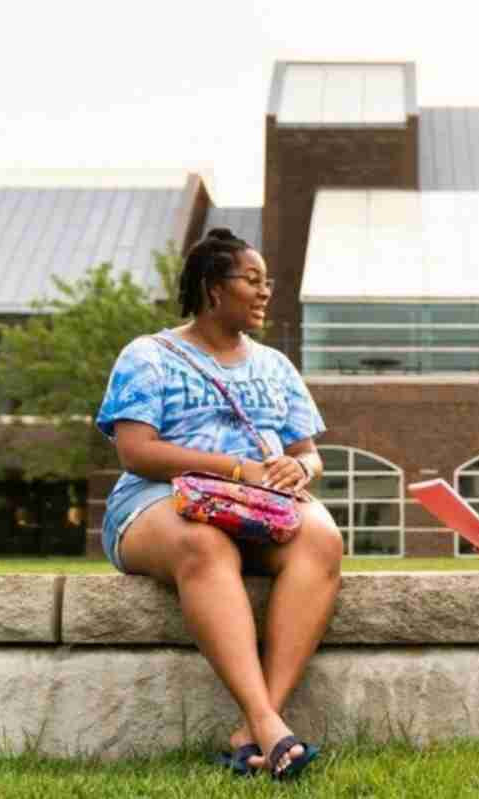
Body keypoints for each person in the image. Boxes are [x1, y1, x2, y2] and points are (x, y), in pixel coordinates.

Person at [95, 228, 342, 780]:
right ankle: (270, 724)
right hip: (157, 504)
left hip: (257, 508)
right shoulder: (148, 356)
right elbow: (136, 452)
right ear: (212, 289)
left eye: (267, 282)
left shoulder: (276, 365)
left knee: (323, 537)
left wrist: (299, 468)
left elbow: (310, 454)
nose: (264, 293)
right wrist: (236, 470)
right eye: (251, 280)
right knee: (204, 543)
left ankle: (256, 726)